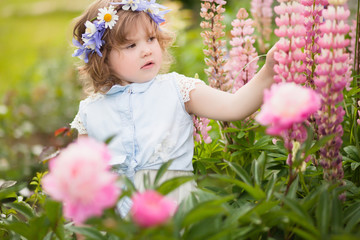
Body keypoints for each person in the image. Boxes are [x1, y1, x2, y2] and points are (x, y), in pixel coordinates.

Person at [70, 0, 276, 217]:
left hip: (176, 213)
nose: (147, 51)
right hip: (119, 223)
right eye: (131, 45)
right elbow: (85, 184)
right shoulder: (90, 112)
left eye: (151, 39)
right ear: (102, 58)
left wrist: (270, 69)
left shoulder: (177, 89)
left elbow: (235, 107)